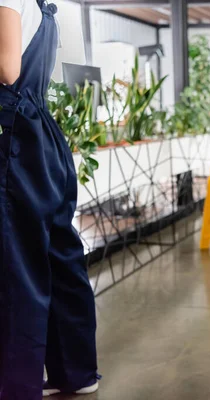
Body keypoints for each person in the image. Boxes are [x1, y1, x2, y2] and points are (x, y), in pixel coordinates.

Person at [0, 1, 99, 398]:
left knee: (16, 267)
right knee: (60, 256)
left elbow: (8, 69)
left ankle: (15, 386)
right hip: (41, 134)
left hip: (15, 139)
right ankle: (76, 372)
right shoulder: (41, 5)